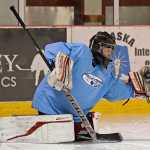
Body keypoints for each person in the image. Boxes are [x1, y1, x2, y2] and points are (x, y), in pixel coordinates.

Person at [32, 31, 148, 141]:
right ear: (98, 47)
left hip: (75, 119)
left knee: (76, 130)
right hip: (50, 110)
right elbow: (51, 49)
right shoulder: (81, 51)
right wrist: (62, 69)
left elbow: (115, 92)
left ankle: (79, 130)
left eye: (111, 51)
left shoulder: (107, 73)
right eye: (107, 49)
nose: (109, 54)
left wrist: (135, 90)